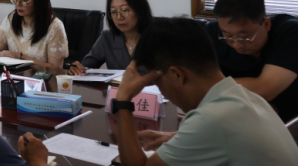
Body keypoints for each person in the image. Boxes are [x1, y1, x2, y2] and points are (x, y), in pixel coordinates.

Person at [113, 18, 298, 166]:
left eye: (157, 82)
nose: (164, 92)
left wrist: (123, 99)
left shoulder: (211, 119)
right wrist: (177, 138)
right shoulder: (243, 96)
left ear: (177, 75)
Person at [206, 0, 298, 122]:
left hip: (289, 123)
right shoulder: (212, 32)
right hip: (237, 118)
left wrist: (208, 85)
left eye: (245, 37)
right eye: (228, 36)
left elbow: (265, 89)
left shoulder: (290, 33)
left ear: (266, 24)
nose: (237, 45)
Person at [69, 0, 153, 75]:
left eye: (124, 10)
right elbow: (86, 67)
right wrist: (76, 68)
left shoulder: (157, 38)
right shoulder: (107, 37)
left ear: (139, 9)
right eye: (113, 11)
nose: (119, 17)